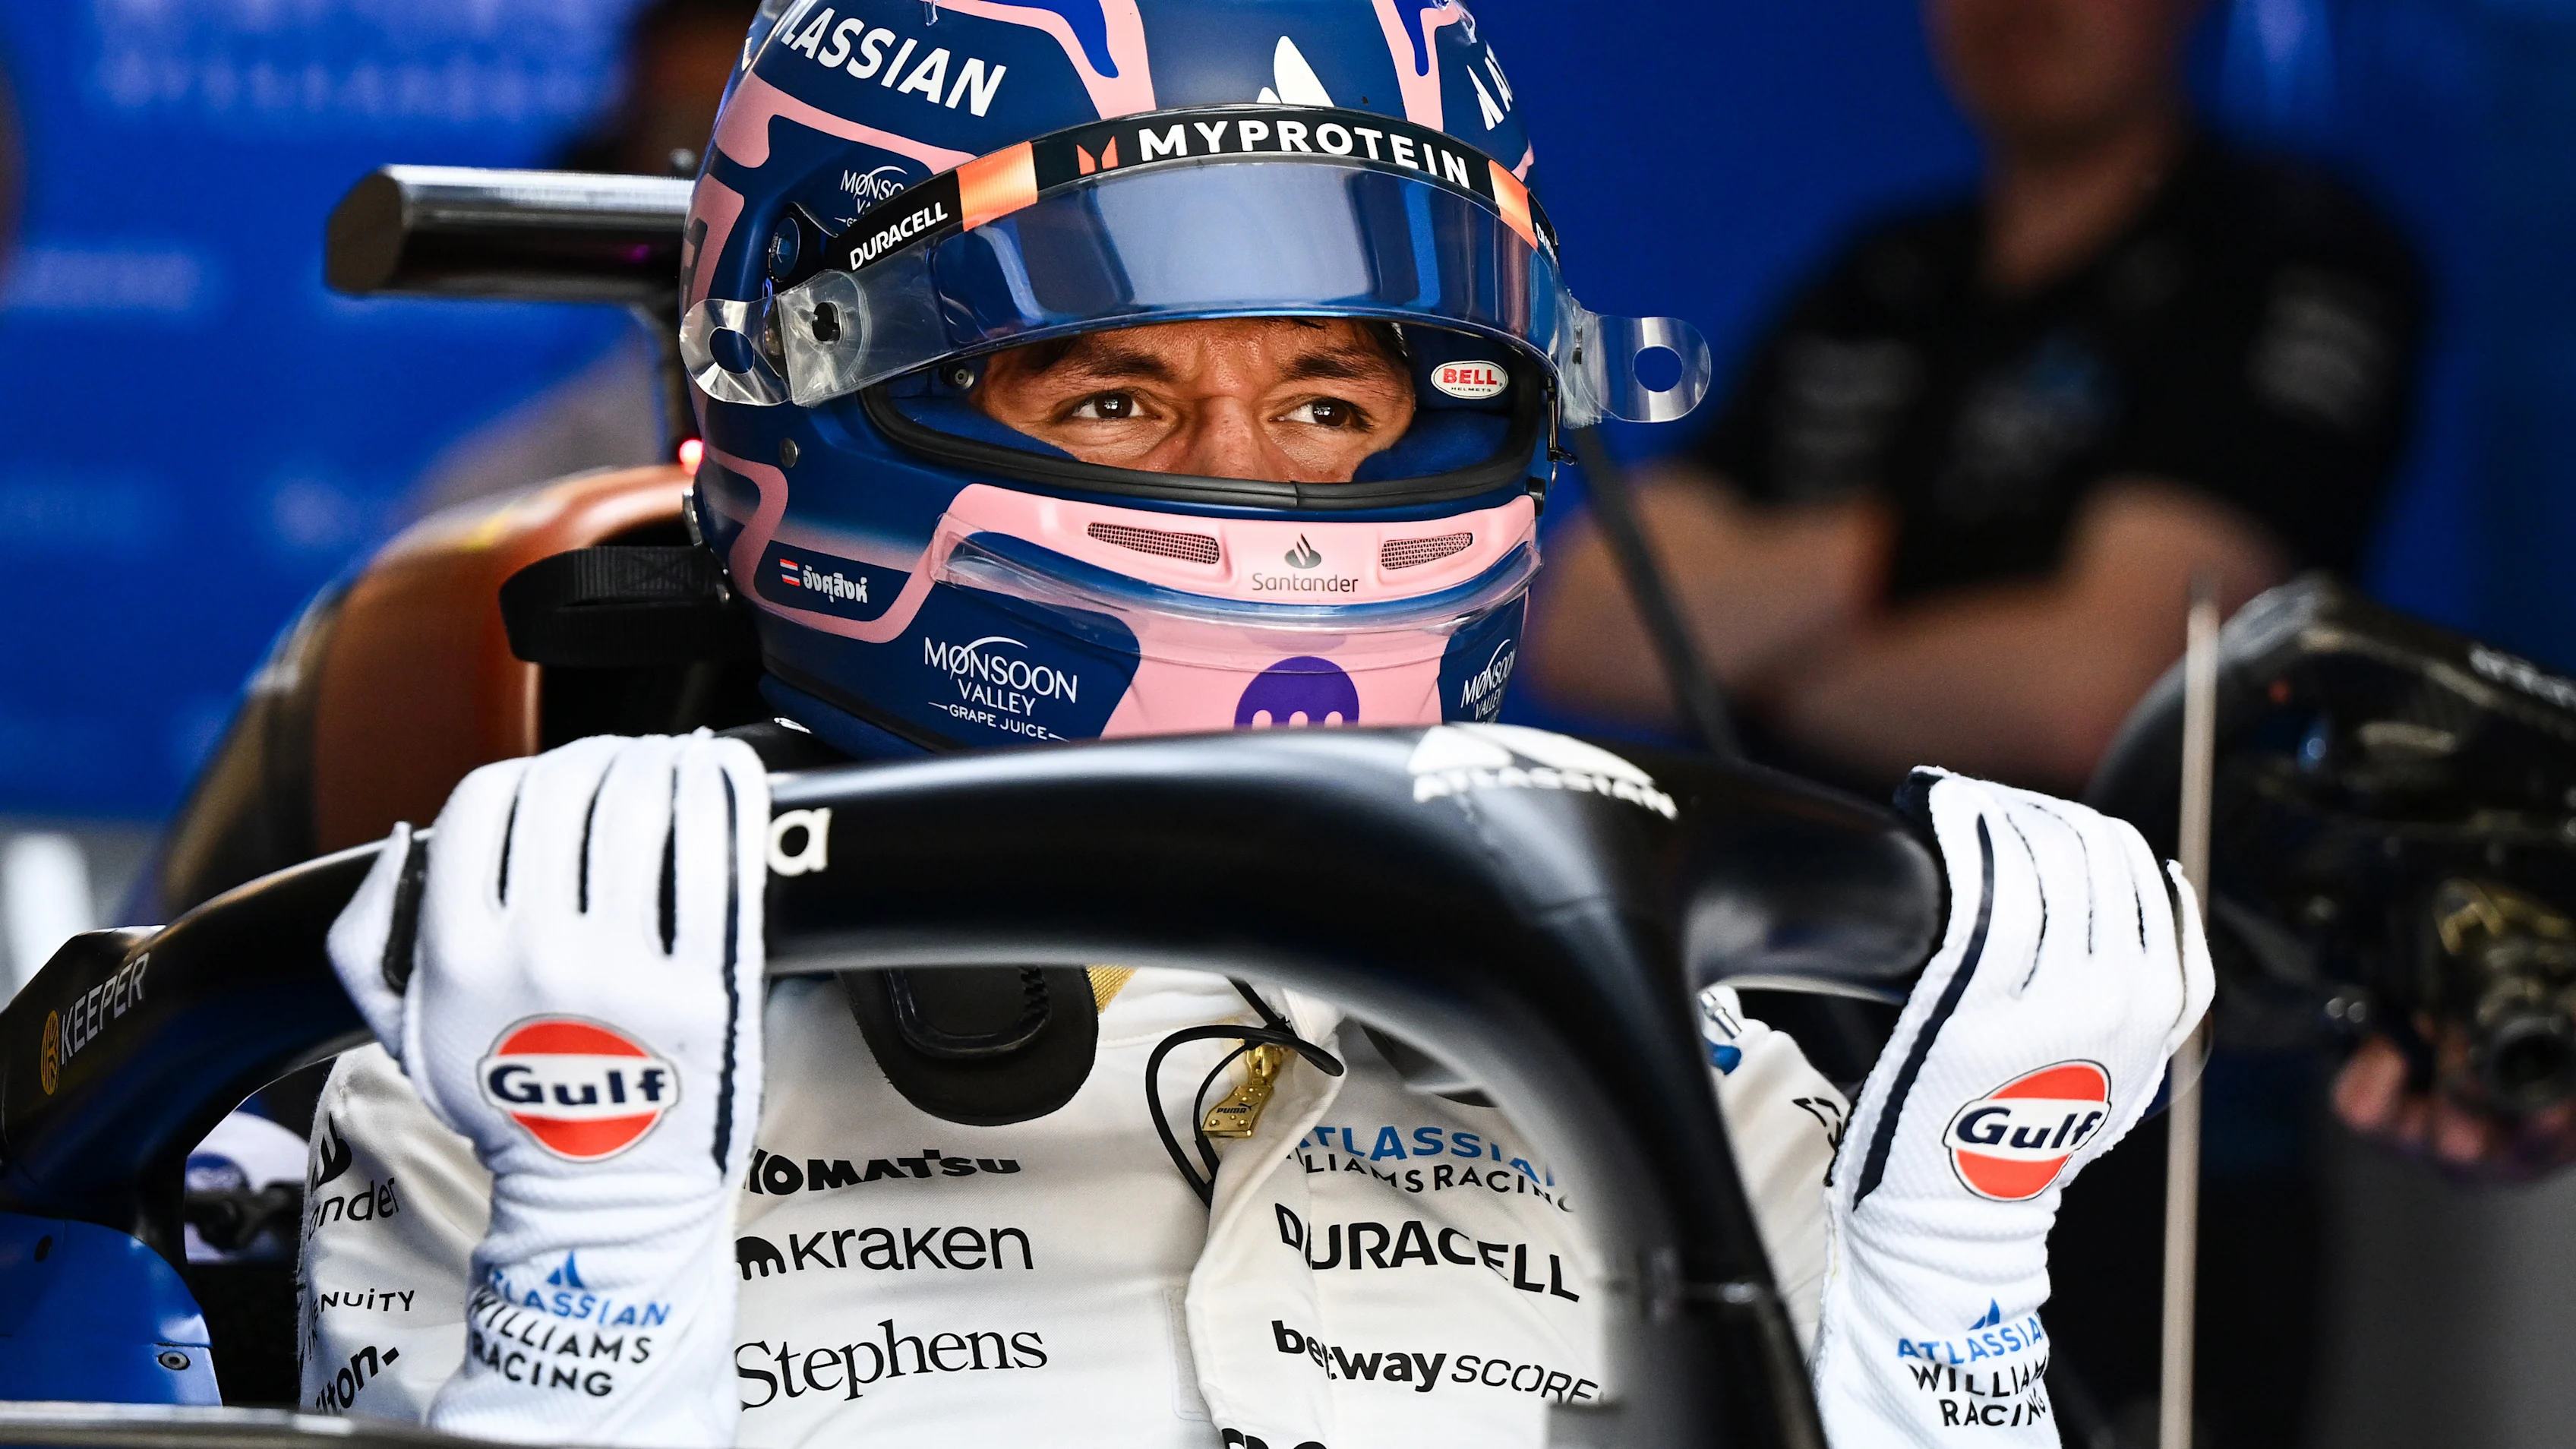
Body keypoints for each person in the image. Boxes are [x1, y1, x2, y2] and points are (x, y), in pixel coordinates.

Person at [296, 4, 2211, 1447]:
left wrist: (1957, 1291)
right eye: (1111, 401)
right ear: (819, 421)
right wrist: (598, 1265)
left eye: (1323, 403)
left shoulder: (1701, 1097)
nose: (1246, 480)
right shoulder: (526, 1070)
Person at [1526, 0, 2424, 802]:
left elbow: (2101, 697)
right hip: (1784, 946)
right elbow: (1581, 625)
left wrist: (1735, 659)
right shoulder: (1882, 276)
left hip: (2113, 956)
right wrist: (1919, 559)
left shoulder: (2285, 255)